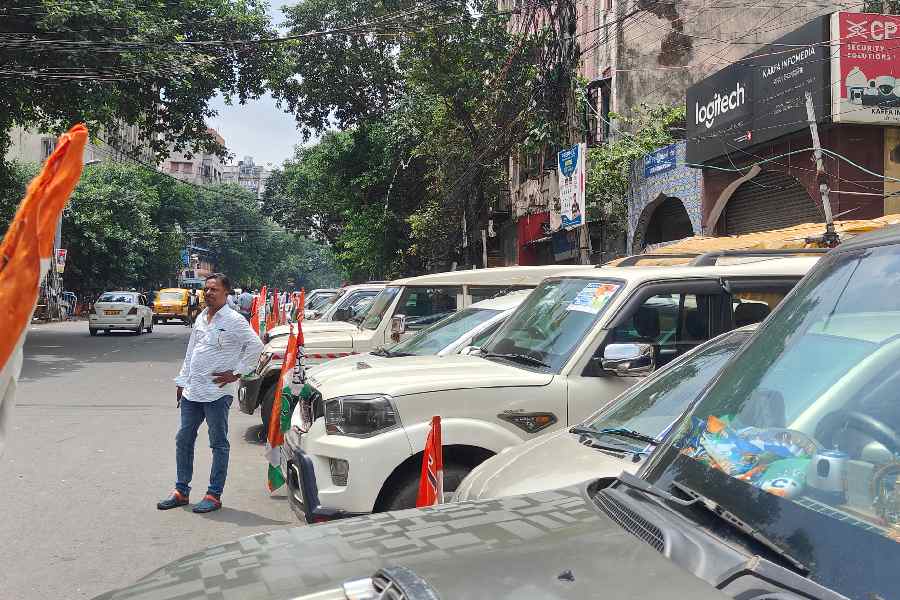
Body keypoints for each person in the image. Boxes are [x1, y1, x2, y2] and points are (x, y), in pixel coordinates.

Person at [157, 273, 264, 513]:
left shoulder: (235, 320)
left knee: (218, 444)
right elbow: (191, 350)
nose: (209, 293)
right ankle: (181, 491)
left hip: (217, 392)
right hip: (193, 390)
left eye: (214, 289)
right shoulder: (201, 318)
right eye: (206, 289)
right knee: (183, 439)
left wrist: (237, 372)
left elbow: (256, 345)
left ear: (226, 293)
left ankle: (214, 495)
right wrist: (182, 380)